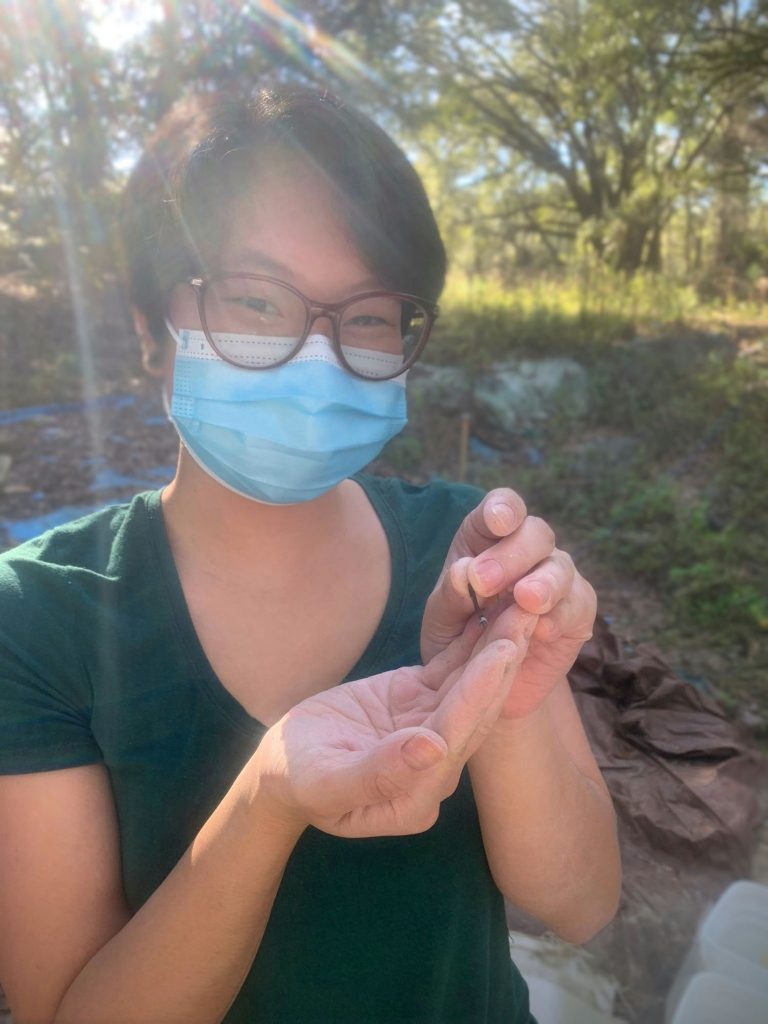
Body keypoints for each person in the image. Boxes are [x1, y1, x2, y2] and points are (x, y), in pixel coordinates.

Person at [0, 87, 620, 1023]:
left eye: (370, 317)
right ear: (147, 330)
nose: (319, 358)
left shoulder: (463, 554)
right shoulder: (39, 617)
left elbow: (581, 903)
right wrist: (269, 803)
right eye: (256, 300)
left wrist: (507, 684)